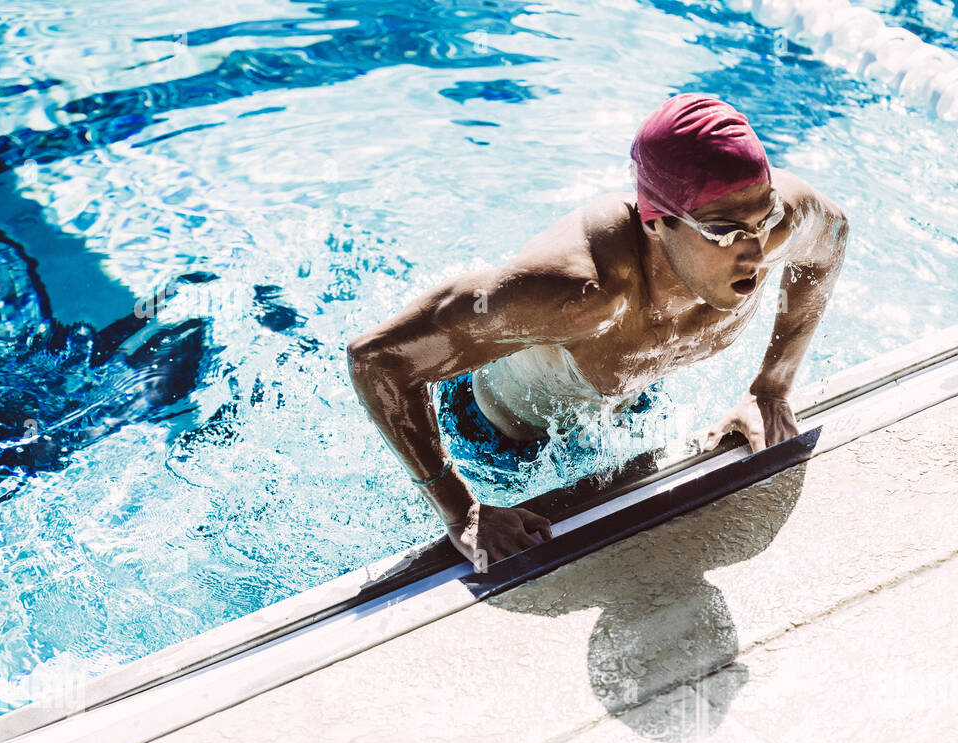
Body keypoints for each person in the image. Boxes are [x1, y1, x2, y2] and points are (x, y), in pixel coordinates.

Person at [347, 93, 848, 569]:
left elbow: (832, 238)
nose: (757, 252)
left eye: (765, 219)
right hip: (493, 443)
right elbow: (377, 359)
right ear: (657, 223)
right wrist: (461, 510)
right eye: (722, 231)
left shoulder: (773, 226)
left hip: (623, 406)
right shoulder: (578, 292)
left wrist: (771, 388)